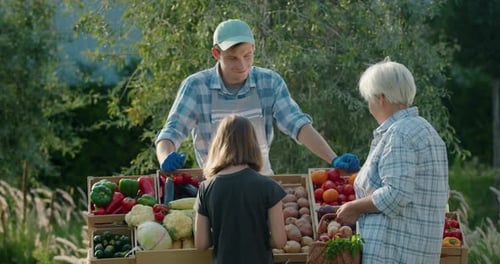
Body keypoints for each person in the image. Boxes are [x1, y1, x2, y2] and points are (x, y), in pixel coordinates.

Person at [155, 18, 360, 175]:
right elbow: (172, 132)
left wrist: (333, 159)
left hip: (262, 182)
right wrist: (166, 157)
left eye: (247, 55)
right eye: (232, 58)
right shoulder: (196, 86)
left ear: (254, 48)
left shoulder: (269, 82)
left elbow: (298, 125)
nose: (242, 65)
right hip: (216, 188)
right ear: (216, 54)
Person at [335, 57, 449, 263]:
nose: (368, 104)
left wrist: (355, 207)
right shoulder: (425, 131)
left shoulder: (399, 134)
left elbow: (396, 193)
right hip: (418, 251)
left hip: (394, 253)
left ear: (380, 98)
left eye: (368, 97)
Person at [194, 114, 287, 264]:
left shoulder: (206, 188)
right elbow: (280, 241)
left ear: (218, 144)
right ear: (253, 145)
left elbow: (201, 243)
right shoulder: (269, 187)